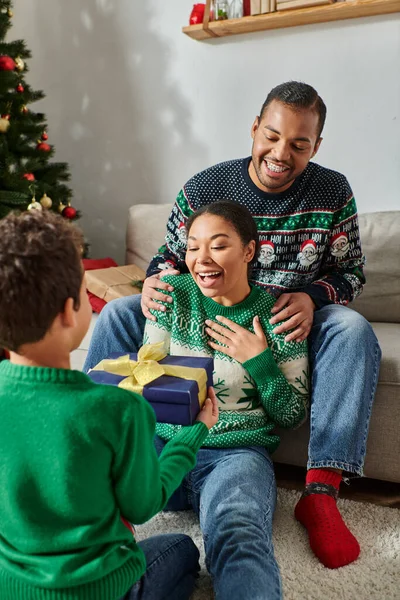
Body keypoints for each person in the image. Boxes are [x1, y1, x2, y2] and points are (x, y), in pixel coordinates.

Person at [84, 81, 382, 570]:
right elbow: (169, 256)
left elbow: (350, 272)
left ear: (316, 147)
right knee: (120, 311)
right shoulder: (206, 186)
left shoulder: (333, 190)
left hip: (289, 312)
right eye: (271, 136)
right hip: (210, 303)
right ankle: (94, 460)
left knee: (351, 329)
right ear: (254, 129)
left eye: (298, 144)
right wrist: (157, 279)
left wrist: (312, 297)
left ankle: (321, 493)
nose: (280, 153)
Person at [0, 210, 218, 600]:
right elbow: (142, 506)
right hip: (101, 588)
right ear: (70, 311)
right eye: (86, 295)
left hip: (13, 588)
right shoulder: (118, 408)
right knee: (183, 550)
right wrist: (191, 436)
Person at [144, 201, 309, 599]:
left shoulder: (278, 316)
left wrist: (260, 363)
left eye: (218, 245)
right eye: (193, 246)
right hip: (163, 444)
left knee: (239, 537)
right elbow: (146, 380)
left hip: (234, 454)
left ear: (249, 251)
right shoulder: (173, 297)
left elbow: (292, 415)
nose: (201, 259)